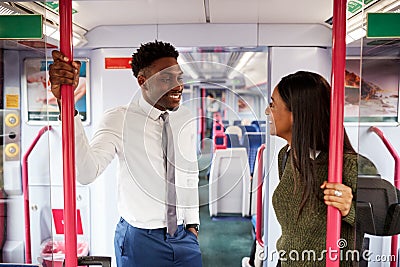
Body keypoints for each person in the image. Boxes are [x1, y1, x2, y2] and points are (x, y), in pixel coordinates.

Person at [49, 40, 202, 267]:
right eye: (165, 78)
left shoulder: (185, 118)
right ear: (143, 81)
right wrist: (67, 104)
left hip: (183, 238)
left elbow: (190, 173)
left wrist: (192, 225)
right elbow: (86, 173)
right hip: (141, 239)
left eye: (178, 77)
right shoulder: (119, 119)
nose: (177, 85)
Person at [242, 71, 376, 267]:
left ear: (295, 114)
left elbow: (390, 219)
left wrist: (351, 210)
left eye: (272, 104)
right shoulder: (286, 156)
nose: (266, 112)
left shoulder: (351, 165)